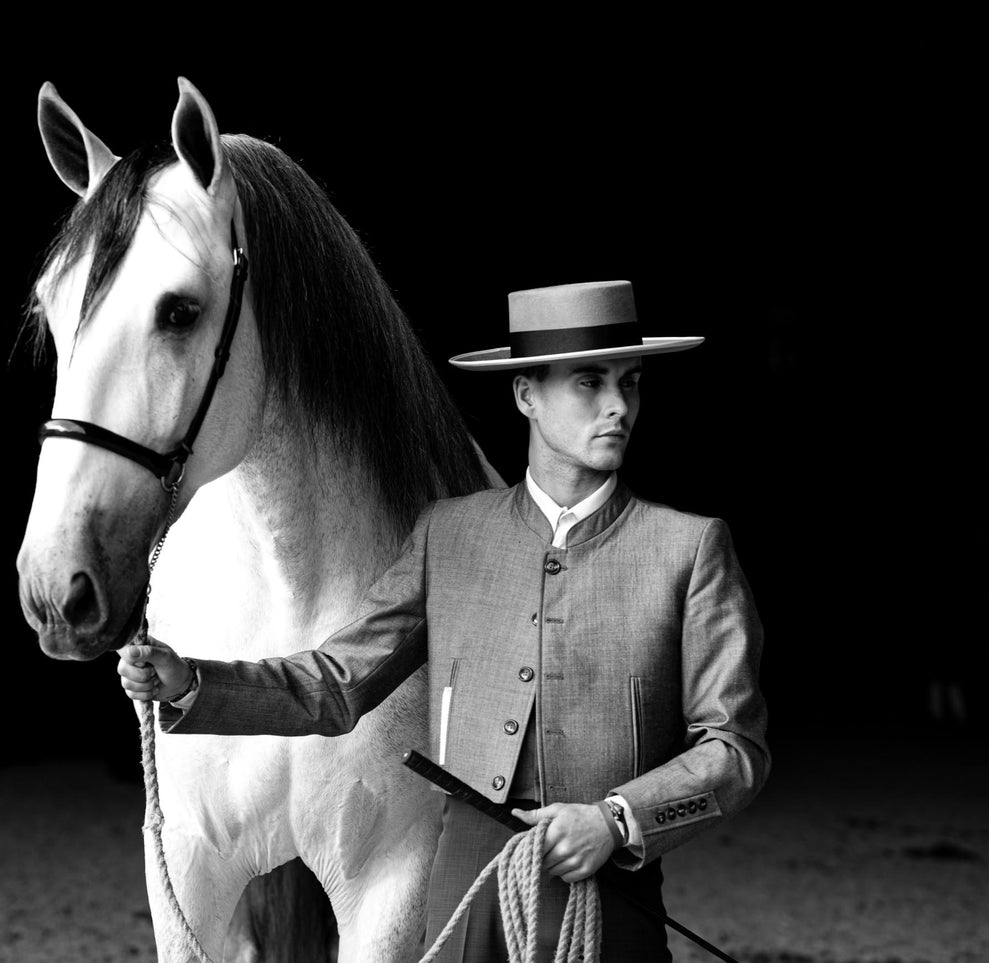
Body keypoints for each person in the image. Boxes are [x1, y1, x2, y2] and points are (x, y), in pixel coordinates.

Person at [118, 280, 770, 962]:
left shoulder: (689, 550)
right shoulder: (448, 536)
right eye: (587, 383)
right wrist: (190, 682)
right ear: (525, 395)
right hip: (462, 901)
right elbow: (338, 683)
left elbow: (735, 750)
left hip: (606, 901)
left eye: (629, 382)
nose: (617, 407)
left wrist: (618, 819)